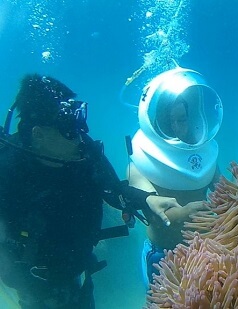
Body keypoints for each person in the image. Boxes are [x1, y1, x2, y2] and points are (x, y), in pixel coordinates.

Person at [0, 74, 181, 308]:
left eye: (76, 124)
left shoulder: (84, 152)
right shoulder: (7, 171)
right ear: (38, 133)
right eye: (67, 130)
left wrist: (147, 200)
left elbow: (115, 191)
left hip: (80, 268)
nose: (78, 136)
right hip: (35, 284)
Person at [128, 67, 222, 285]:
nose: (177, 127)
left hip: (203, 250)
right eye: (169, 121)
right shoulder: (140, 159)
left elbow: (223, 189)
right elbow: (153, 212)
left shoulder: (205, 152)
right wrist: (185, 212)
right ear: (154, 120)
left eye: (182, 119)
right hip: (161, 254)